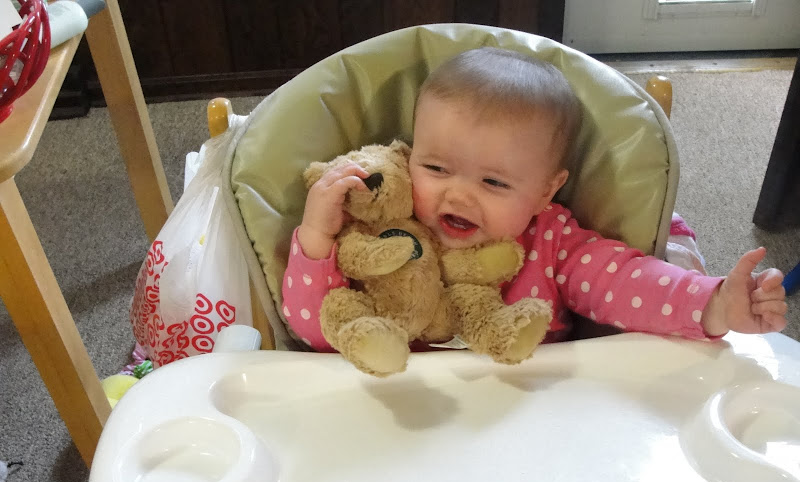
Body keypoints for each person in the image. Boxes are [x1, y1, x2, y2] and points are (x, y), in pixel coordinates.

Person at [282, 47, 787, 351]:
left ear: (546, 190)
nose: (458, 193)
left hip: (529, 428)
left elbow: (627, 284)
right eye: (435, 168)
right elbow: (315, 332)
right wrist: (317, 238)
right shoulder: (382, 235)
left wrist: (713, 304)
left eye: (495, 183)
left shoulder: (552, 243)